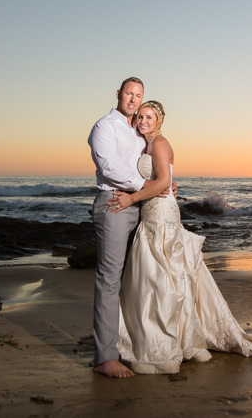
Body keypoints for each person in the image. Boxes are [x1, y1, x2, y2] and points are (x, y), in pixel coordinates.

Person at [106, 100, 252, 374]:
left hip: (161, 212)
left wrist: (130, 199)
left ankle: (174, 338)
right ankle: (177, 334)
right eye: (141, 116)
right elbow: (160, 178)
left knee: (163, 272)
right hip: (153, 208)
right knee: (161, 272)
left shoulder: (160, 143)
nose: (143, 120)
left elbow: (164, 181)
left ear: (159, 121)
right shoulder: (146, 144)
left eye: (149, 117)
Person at [87, 77, 168, 378]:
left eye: (139, 95)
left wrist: (164, 182)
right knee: (109, 279)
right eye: (129, 94)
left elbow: (154, 161)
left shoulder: (140, 130)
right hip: (113, 204)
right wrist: (146, 185)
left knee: (135, 278)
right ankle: (104, 358)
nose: (133, 100)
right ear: (118, 94)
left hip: (139, 203)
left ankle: (126, 344)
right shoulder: (104, 127)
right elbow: (109, 167)